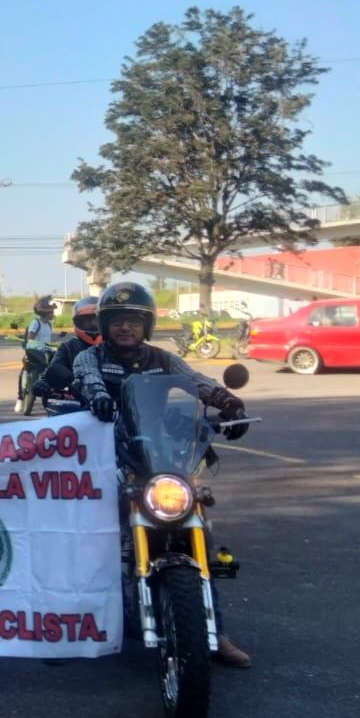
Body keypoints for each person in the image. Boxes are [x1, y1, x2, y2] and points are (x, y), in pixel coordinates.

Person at [69, 281, 252, 668]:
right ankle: (73, 621)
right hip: (108, 453)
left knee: (195, 522)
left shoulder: (163, 359)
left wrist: (229, 403)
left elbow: (196, 381)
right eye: (117, 320)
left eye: (133, 321)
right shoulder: (91, 358)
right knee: (89, 532)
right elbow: (87, 379)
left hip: (157, 452)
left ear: (146, 325)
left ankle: (214, 630)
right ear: (105, 324)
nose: (125, 327)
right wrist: (98, 396)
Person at [37, 295, 100, 397]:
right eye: (88, 322)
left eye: (97, 321)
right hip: (78, 399)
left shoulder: (113, 345)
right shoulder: (69, 347)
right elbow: (53, 367)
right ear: (78, 322)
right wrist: (43, 382)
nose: (93, 325)